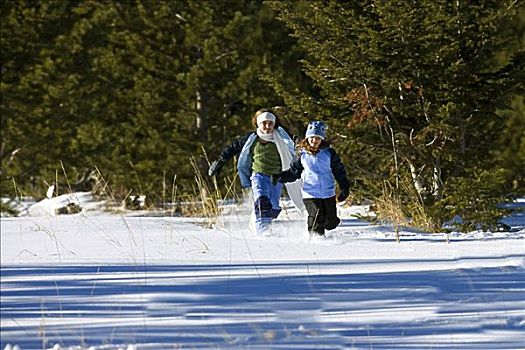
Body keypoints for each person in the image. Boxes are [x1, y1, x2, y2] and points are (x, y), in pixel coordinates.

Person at [208, 108, 302, 235]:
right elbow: (232, 148)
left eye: (270, 123)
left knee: (273, 207)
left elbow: (297, 146)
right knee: (262, 201)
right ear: (257, 123)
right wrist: (219, 162)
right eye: (264, 123)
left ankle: (256, 224)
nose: (267, 126)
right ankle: (263, 230)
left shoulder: (282, 137)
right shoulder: (251, 138)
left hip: (277, 177)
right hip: (258, 175)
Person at [272, 121, 350, 236]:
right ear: (307, 138)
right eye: (312, 137)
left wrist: (344, 187)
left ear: (322, 139)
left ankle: (328, 223)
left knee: (331, 222)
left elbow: (339, 171)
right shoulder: (302, 155)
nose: (314, 141)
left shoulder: (329, 153)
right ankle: (316, 239)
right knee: (316, 216)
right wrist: (280, 177)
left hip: (328, 193)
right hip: (310, 193)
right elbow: (294, 172)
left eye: (317, 138)